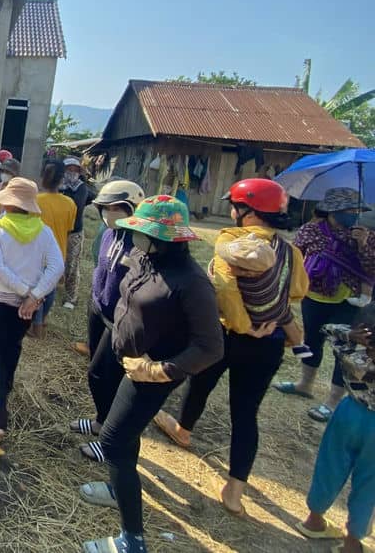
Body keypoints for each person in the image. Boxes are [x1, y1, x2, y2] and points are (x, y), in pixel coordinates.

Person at [151, 179, 310, 516]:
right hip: (270, 342)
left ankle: (183, 430)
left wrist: (245, 325)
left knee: (201, 382)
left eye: (236, 206)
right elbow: (297, 291)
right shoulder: (291, 252)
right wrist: (266, 315)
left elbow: (224, 290)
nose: (232, 212)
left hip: (227, 334)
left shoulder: (232, 242)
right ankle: (235, 491)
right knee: (246, 412)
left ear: (249, 213)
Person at [79, 195, 223, 553]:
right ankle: (117, 487)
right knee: (100, 386)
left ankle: (132, 540)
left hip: (148, 370)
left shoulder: (192, 282)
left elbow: (210, 348)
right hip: (121, 346)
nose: (134, 237)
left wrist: (157, 370)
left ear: (162, 239)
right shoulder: (146, 257)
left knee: (113, 442)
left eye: (142, 232)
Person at [0, 177, 64, 456]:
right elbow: (57, 266)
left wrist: (26, 291)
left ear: (9, 204)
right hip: (26, 308)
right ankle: (5, 388)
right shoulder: (44, 231)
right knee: (13, 346)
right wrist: (34, 295)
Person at [273, 188, 375, 423]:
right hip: (315, 296)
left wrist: (364, 245)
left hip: (349, 300)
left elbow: (371, 269)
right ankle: (305, 384)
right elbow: (296, 258)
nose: (353, 215)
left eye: (355, 210)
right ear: (333, 210)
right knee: (312, 340)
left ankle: (332, 401)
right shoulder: (311, 230)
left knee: (344, 346)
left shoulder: (363, 234)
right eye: (348, 210)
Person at [70, 180, 145, 462]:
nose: (107, 212)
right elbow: (101, 267)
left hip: (119, 321)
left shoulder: (139, 242)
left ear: (131, 208)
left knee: (106, 378)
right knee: (96, 372)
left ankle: (110, 440)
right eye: (104, 207)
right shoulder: (107, 233)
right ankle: (102, 421)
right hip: (98, 309)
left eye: (114, 208)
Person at [295, 304, 375, 553]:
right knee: (369, 484)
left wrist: (350, 335)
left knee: (330, 465)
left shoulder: (350, 349)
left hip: (348, 412)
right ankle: (352, 542)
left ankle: (314, 520)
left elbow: (327, 329)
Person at [28, 158, 78, 337]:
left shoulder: (35, 200)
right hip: (59, 252)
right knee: (50, 289)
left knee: (37, 290)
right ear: (61, 179)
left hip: (37, 253)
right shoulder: (70, 204)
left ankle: (37, 327)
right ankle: (43, 320)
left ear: (43, 177)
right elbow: (68, 232)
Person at [60, 156, 89, 310]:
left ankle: (71, 297)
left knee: (71, 264)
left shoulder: (81, 188)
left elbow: (76, 207)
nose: (71, 172)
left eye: (74, 170)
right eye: (68, 169)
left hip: (73, 232)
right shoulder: (58, 186)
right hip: (57, 229)